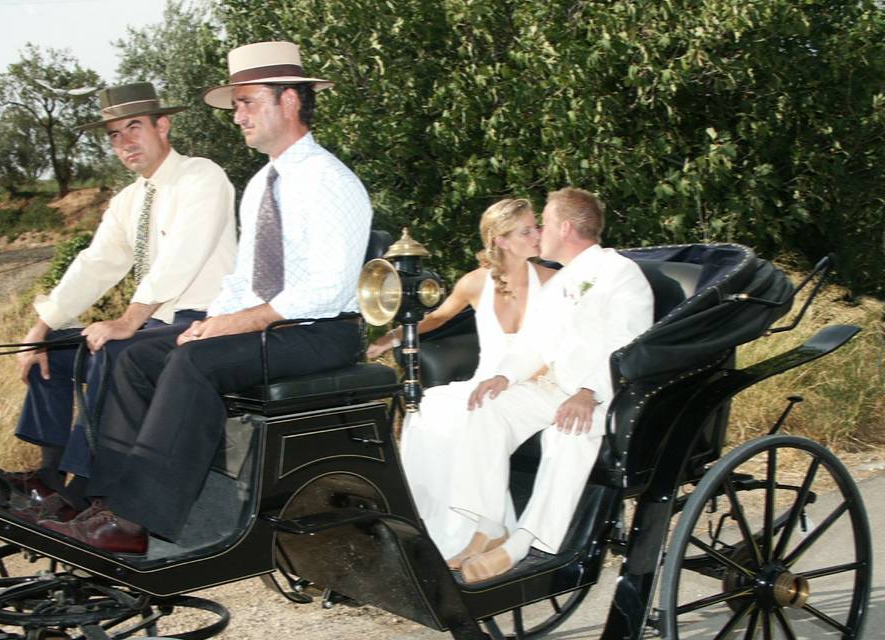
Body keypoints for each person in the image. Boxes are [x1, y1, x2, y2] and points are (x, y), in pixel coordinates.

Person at [42, 41, 373, 553]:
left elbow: (326, 289)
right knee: (133, 356)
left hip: (321, 333)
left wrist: (234, 325)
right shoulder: (262, 183)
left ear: (289, 101)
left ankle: (137, 521)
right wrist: (212, 319)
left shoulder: (331, 181)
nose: (237, 116)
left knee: (194, 362)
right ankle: (103, 500)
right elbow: (243, 279)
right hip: (271, 326)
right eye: (236, 104)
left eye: (247, 102)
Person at [12, 82, 236, 517]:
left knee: (113, 349)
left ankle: (90, 494)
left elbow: (180, 257)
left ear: (163, 125)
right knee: (54, 350)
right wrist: (41, 327)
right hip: (154, 324)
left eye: (134, 127)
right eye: (114, 135)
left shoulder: (202, 177)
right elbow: (95, 264)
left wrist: (128, 319)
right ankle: (49, 476)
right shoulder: (129, 201)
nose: (125, 142)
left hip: (202, 323)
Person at [448, 188, 654, 583]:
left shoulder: (620, 275)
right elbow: (535, 342)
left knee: (567, 431)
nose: (539, 229)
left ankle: (523, 543)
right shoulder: (562, 280)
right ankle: (490, 525)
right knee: (488, 408)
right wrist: (503, 376)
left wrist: (588, 392)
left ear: (565, 227)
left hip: (604, 396)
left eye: (544, 220)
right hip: (556, 387)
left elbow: (628, 345)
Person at [368, 198, 554, 558]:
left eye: (537, 228)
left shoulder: (553, 281)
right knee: (429, 411)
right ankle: (430, 531)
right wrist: (393, 337)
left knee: (471, 416)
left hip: (529, 384)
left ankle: (483, 533)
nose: (538, 235)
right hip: (484, 382)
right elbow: (437, 318)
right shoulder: (474, 283)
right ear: (500, 240)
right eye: (527, 230)